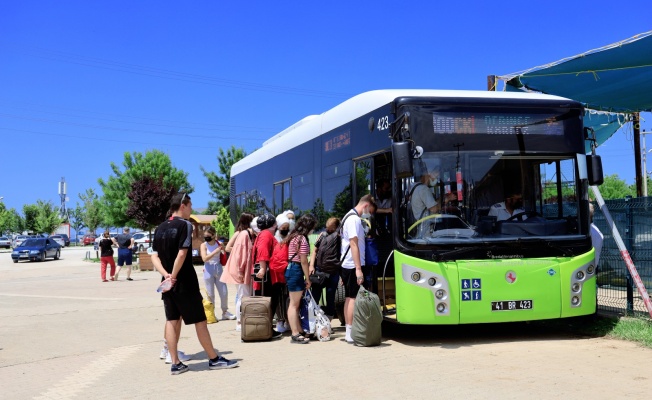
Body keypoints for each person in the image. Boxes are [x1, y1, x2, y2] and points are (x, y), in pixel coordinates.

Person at [151, 193, 239, 375]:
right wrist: (174, 275)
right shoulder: (185, 225)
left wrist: (166, 276)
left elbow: (154, 256)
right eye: (190, 206)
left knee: (171, 320)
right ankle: (214, 358)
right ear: (182, 205)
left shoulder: (159, 228)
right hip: (184, 281)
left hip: (167, 283)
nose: (191, 210)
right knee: (200, 320)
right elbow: (182, 254)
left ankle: (175, 362)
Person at [341, 194, 376, 343]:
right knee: (353, 298)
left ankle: (348, 330)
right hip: (352, 265)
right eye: (371, 211)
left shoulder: (348, 216)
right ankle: (350, 331)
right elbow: (354, 244)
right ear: (366, 206)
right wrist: (358, 269)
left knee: (349, 297)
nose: (370, 214)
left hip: (348, 264)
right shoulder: (354, 219)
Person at [285, 213, 318, 344]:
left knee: (295, 304)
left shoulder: (293, 237)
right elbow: (304, 261)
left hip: (291, 269)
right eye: (313, 227)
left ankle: (299, 330)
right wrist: (308, 278)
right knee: (294, 304)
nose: (313, 230)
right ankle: (295, 333)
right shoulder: (302, 239)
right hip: (296, 270)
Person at [221, 212, 256, 332]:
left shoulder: (248, 234)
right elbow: (227, 248)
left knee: (242, 295)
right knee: (242, 296)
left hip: (243, 268)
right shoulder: (240, 234)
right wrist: (239, 250)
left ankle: (242, 320)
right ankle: (239, 322)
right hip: (239, 268)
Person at [252, 213, 283, 339]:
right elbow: (263, 251)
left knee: (267, 302)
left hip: (266, 274)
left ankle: (266, 328)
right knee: (269, 302)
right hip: (268, 275)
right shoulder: (266, 235)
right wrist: (264, 268)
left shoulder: (263, 234)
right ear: (272, 224)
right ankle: (266, 329)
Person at [309, 217, 341, 319]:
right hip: (320, 271)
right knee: (315, 295)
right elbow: (314, 251)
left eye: (330, 228)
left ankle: (329, 319)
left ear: (336, 228)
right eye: (326, 227)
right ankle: (313, 319)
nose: (328, 230)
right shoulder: (322, 235)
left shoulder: (340, 236)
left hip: (333, 272)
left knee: (330, 296)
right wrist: (311, 265)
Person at [200, 226, 235, 321]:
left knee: (224, 292)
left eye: (208, 235)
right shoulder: (204, 245)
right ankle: (211, 314)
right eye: (205, 236)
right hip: (208, 269)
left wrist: (222, 251)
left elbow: (224, 256)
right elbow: (204, 258)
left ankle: (225, 312)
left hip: (218, 268)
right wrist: (215, 251)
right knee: (210, 294)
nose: (206, 237)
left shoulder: (219, 244)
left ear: (213, 235)